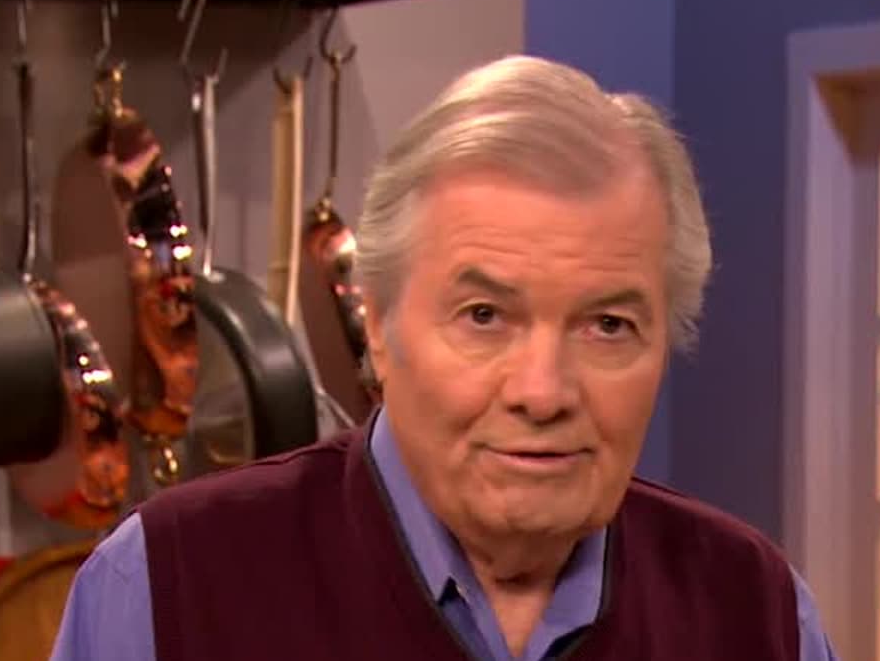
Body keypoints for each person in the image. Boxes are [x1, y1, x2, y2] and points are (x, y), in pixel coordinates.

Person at [48, 54, 839, 661]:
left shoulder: (759, 615)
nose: (543, 392)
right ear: (378, 325)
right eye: (485, 316)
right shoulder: (166, 588)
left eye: (607, 326)